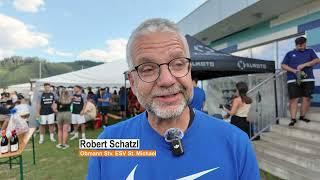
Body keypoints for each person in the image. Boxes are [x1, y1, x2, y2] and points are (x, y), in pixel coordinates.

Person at [87, 18, 259, 180]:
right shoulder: (108, 144)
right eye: (148, 68)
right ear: (132, 82)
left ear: (189, 71)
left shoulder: (236, 143)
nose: (167, 80)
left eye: (178, 64)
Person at [281, 37, 320, 126]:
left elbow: (317, 60)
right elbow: (283, 65)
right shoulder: (290, 53)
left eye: (303, 45)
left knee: (306, 98)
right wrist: (294, 71)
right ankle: (293, 119)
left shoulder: (310, 51)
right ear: (296, 45)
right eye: (300, 46)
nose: (302, 47)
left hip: (308, 78)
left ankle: (302, 116)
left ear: (305, 43)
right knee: (294, 99)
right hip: (293, 79)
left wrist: (305, 64)